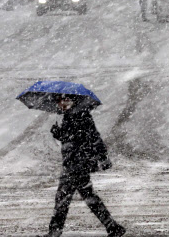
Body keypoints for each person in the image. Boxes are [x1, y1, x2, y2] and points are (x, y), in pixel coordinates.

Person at [43, 95, 126, 237]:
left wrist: (103, 157)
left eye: (63, 100)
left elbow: (93, 137)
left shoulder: (81, 115)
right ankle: (112, 227)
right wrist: (59, 133)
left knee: (63, 198)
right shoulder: (70, 115)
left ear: (70, 101)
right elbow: (72, 138)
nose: (60, 104)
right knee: (87, 197)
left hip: (77, 163)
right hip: (73, 162)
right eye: (59, 101)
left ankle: (54, 232)